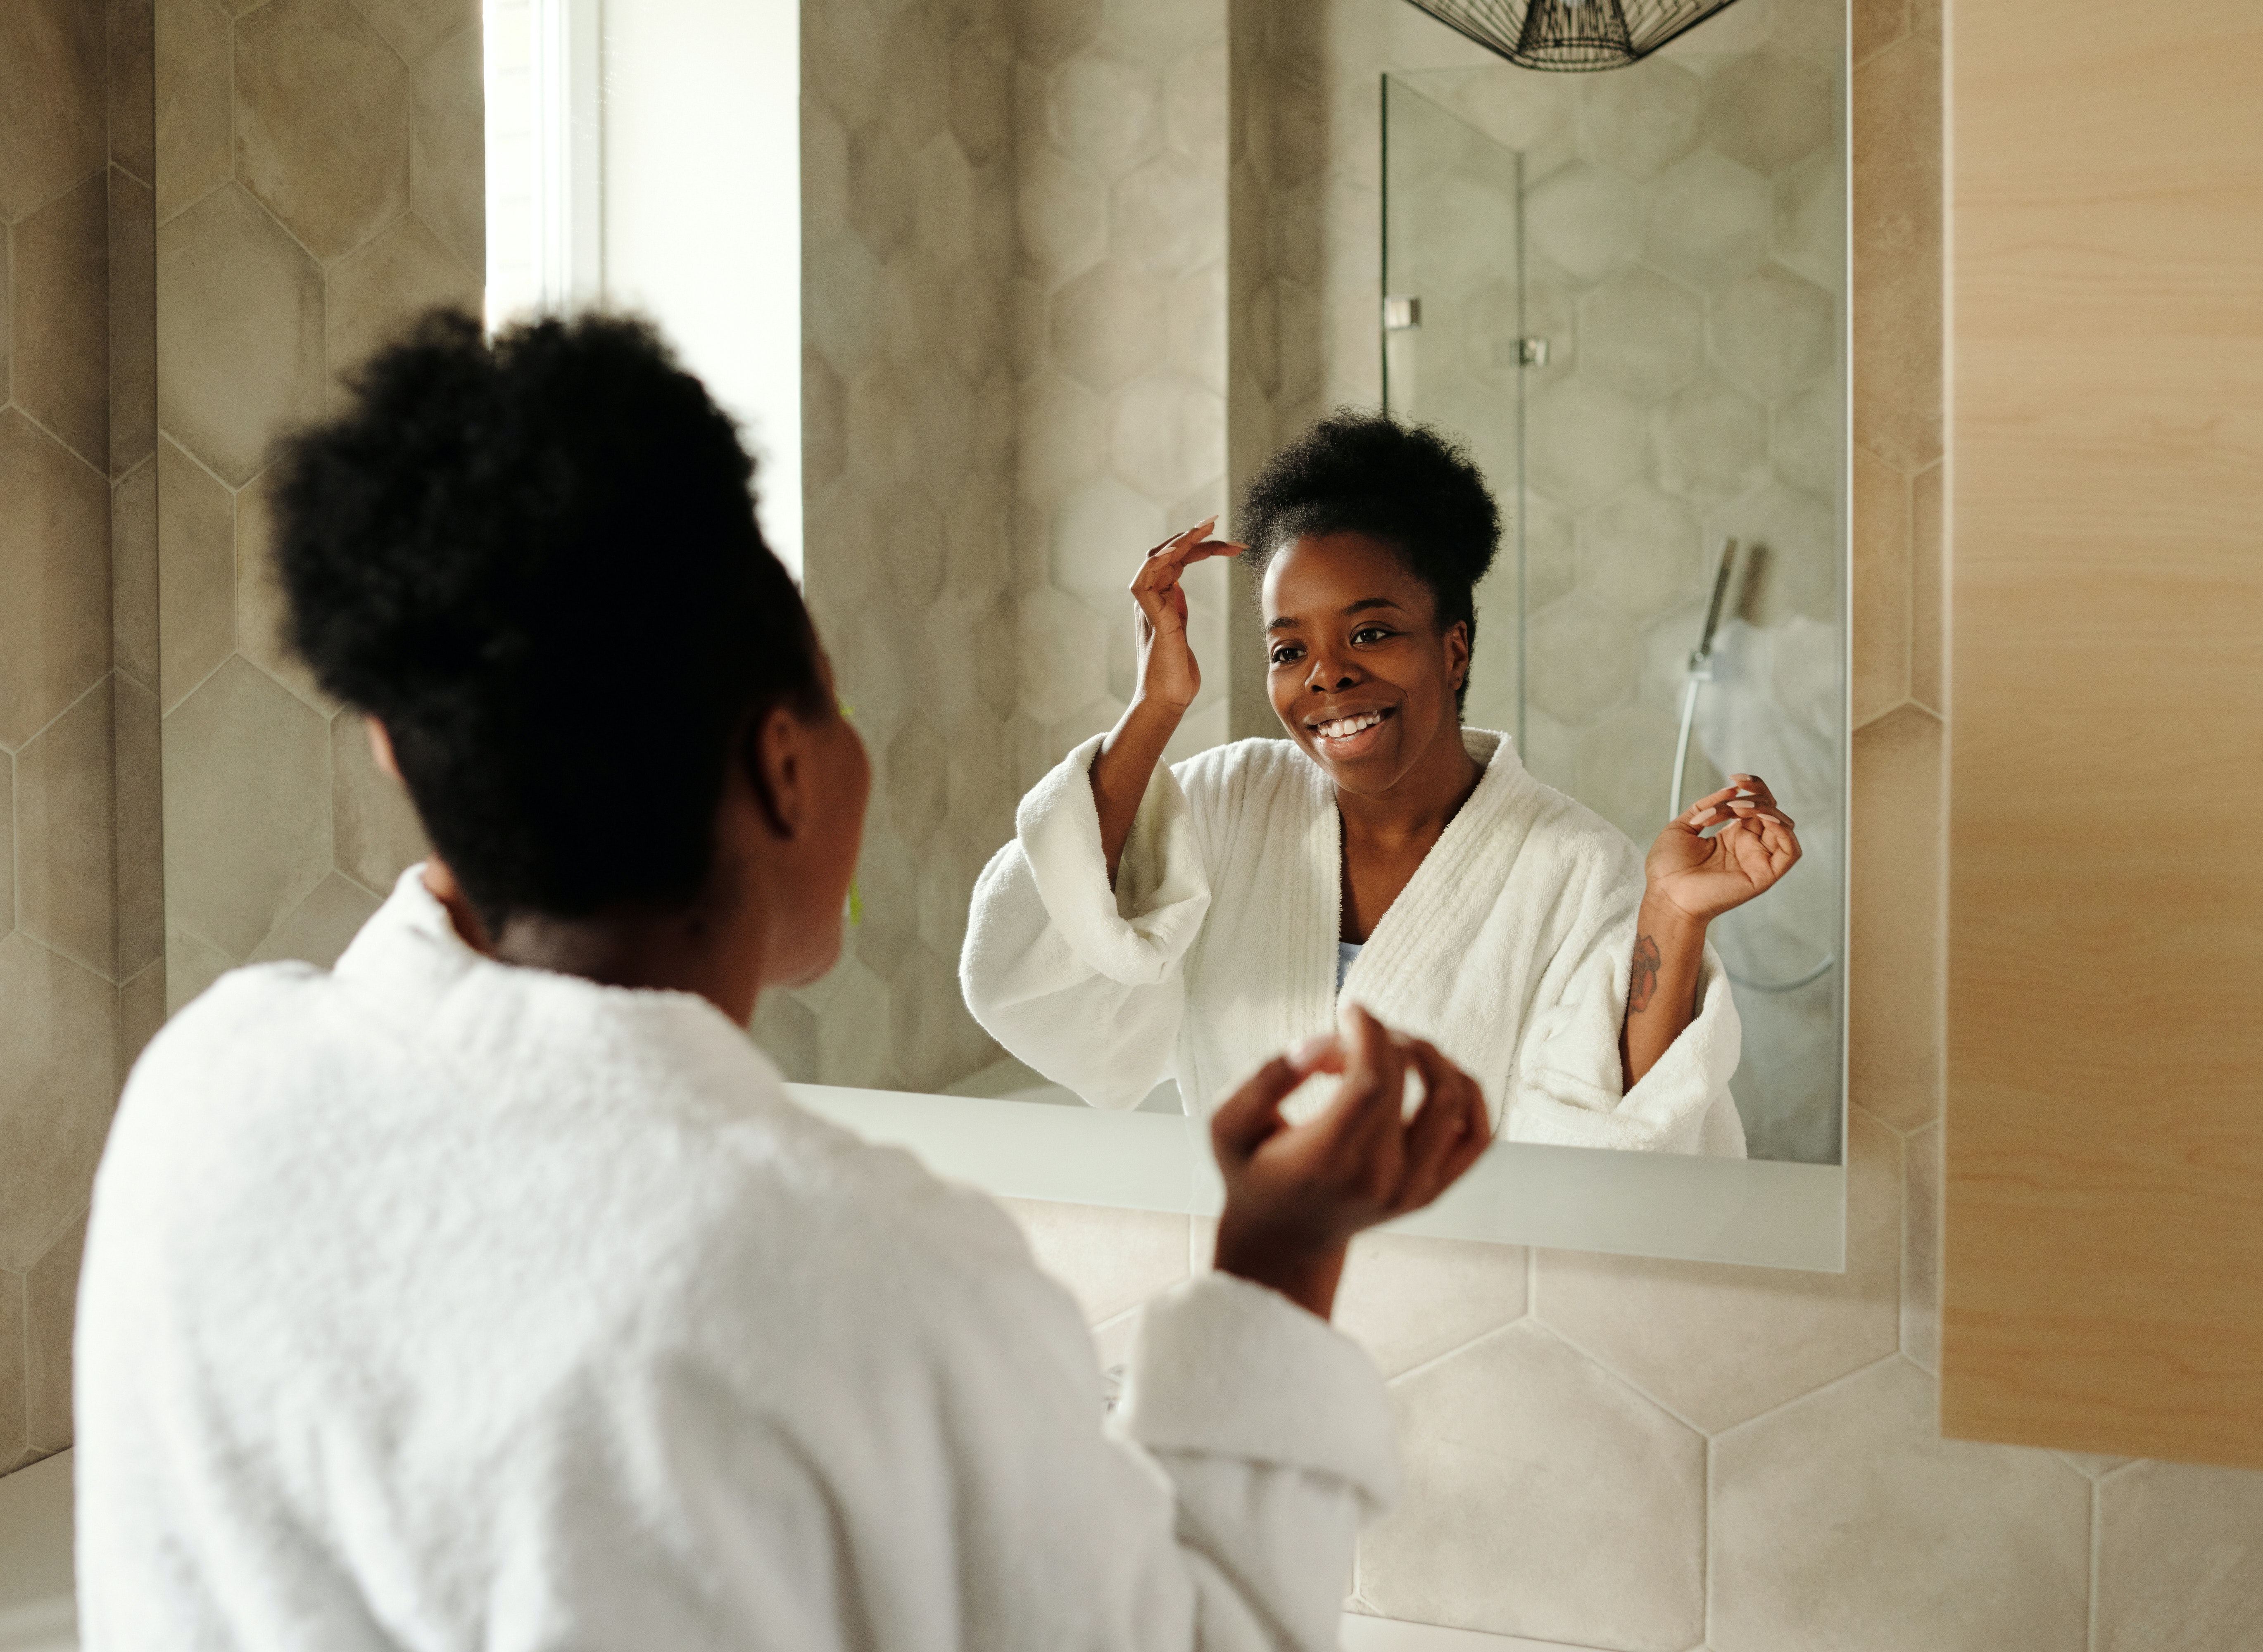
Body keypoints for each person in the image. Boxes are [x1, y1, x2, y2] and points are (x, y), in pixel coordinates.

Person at [74, 313, 1491, 1651]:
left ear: (397, 752)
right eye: (836, 700)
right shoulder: (871, 1277)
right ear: (787, 765)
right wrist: (1277, 1262)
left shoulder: (205, 1093)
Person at [962, 412, 1802, 1154]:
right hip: (1247, 1281)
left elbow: (1614, 1140)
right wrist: (1155, 705)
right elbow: (1040, 956)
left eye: (1371, 631)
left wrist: (1673, 910)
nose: (1325, 675)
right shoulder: (1228, 801)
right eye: (1289, 649)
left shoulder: (1575, 866)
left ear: (1454, 648)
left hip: (1458, 1308)